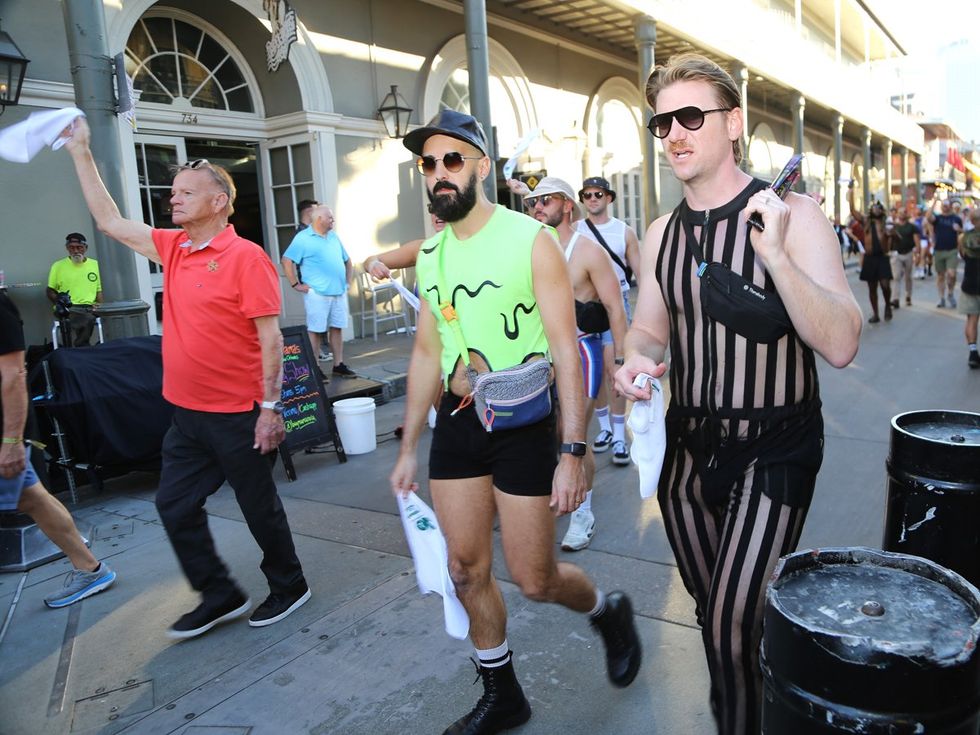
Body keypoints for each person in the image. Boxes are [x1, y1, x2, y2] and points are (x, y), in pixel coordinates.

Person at [615, 53, 861, 735]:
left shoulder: (795, 215)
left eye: (691, 116)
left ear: (734, 123)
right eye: (662, 123)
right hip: (689, 461)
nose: (674, 134)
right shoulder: (661, 237)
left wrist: (776, 255)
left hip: (776, 450)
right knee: (722, 618)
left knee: (729, 621)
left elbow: (841, 343)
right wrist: (633, 363)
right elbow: (647, 331)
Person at [390, 109, 641, 735]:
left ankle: (606, 610)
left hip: (525, 423)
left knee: (536, 579)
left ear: (480, 166)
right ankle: (502, 693)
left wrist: (573, 450)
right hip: (458, 423)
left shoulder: (530, 240)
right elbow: (426, 352)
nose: (439, 173)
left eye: (452, 160)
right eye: (428, 164)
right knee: (465, 569)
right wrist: (408, 444)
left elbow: (564, 350)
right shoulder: (430, 254)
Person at [62, 119, 310, 639]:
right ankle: (218, 593)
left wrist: (271, 408)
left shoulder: (247, 259)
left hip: (240, 415)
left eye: (186, 193)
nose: (173, 200)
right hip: (186, 414)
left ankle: (289, 584)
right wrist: (80, 150)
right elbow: (108, 220)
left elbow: (270, 340)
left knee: (257, 508)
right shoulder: (173, 247)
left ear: (219, 201)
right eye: (173, 193)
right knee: (173, 504)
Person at [520, 176, 627, 552]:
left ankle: (584, 513)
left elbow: (615, 305)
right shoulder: (530, 247)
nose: (537, 207)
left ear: (567, 204)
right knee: (542, 434)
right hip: (540, 356)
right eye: (533, 201)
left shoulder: (588, 251)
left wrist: (620, 359)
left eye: (545, 200)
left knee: (573, 432)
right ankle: (554, 499)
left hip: (582, 350)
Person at [0, 288, 116, 608]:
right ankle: (90, 568)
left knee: (31, 497)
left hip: (4, 435)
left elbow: (14, 374)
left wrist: (10, 442)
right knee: (31, 497)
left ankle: (90, 568)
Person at [575, 176, 641, 466]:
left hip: (617, 306)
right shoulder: (576, 231)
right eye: (587, 195)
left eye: (598, 194)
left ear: (609, 198)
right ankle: (603, 429)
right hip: (586, 309)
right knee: (595, 372)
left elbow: (641, 272)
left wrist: (641, 317)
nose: (592, 199)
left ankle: (618, 435)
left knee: (617, 369)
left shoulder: (623, 232)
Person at [281, 205, 356, 378]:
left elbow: (348, 260)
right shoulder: (303, 238)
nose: (333, 220)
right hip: (318, 293)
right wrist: (295, 284)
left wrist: (347, 282)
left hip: (338, 291)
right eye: (330, 217)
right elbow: (287, 261)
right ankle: (316, 367)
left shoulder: (333, 237)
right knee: (315, 330)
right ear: (319, 219)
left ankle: (338, 365)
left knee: (337, 327)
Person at [46, 232, 103, 346]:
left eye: (79, 247)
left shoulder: (95, 265)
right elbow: (50, 290)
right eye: (72, 248)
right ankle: (82, 347)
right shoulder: (58, 266)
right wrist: (59, 301)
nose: (76, 251)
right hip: (69, 308)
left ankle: (90, 349)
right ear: (67, 248)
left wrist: (100, 306)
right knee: (86, 318)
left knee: (110, 316)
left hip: (90, 307)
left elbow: (98, 290)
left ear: (85, 248)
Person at [363, 204, 446, 281]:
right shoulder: (422, 248)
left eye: (446, 207)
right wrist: (374, 265)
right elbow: (370, 260)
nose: (438, 213)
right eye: (433, 207)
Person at [850, 189, 894, 323]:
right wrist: (851, 193)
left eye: (878, 208)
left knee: (885, 284)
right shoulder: (866, 221)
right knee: (872, 287)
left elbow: (894, 235)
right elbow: (853, 211)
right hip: (870, 258)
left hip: (882, 257)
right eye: (874, 207)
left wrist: (890, 233)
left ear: (881, 210)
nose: (876, 209)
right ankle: (875, 313)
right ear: (871, 210)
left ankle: (887, 305)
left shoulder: (886, 222)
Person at [928, 196, 963, 308]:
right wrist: (934, 202)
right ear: (941, 206)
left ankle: (951, 293)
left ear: (950, 206)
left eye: (947, 205)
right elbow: (928, 217)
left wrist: (959, 230)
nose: (945, 206)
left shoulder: (956, 219)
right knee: (940, 276)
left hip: (952, 250)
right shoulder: (937, 218)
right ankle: (941, 298)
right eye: (943, 204)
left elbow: (963, 233)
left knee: (952, 274)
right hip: (939, 250)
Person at [959, 208, 980, 368]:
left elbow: (963, 254)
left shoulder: (963, 237)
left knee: (972, 319)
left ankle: (973, 352)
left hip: (970, 282)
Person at [891, 208, 920, 307]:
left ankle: (908, 295)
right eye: (900, 213)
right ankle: (895, 298)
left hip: (908, 253)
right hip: (897, 254)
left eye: (904, 212)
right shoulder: (894, 227)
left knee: (908, 276)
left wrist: (917, 254)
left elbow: (916, 241)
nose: (901, 214)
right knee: (896, 276)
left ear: (906, 215)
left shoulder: (912, 227)